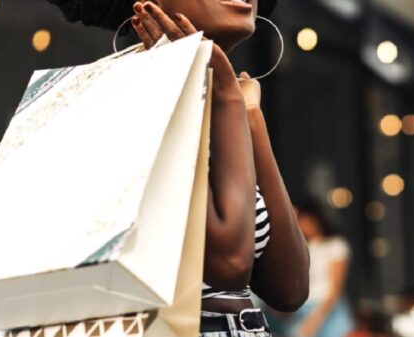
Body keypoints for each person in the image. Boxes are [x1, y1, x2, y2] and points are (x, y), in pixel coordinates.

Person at [48, 0, 310, 336]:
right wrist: (229, 96)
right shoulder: (124, 102)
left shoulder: (226, 105)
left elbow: (291, 288)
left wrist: (250, 118)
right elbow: (228, 264)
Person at [282, 201, 353, 337]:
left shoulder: (335, 245)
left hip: (327, 311)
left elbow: (334, 291)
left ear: (315, 219)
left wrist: (314, 321)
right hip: (302, 309)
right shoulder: (301, 247)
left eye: (303, 219)